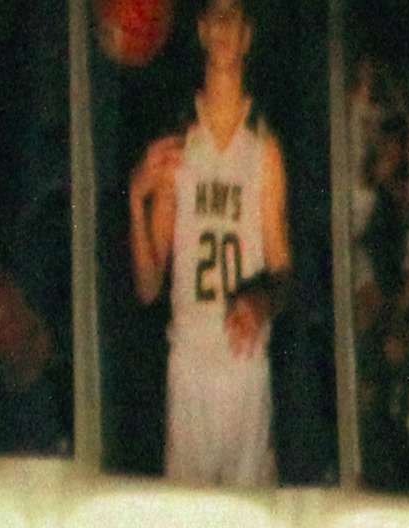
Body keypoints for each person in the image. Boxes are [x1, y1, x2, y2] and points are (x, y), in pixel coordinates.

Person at [128, 0, 284, 487]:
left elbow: (284, 274)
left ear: (246, 37)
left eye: (232, 17)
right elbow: (149, 286)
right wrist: (135, 199)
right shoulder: (177, 144)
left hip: (244, 369)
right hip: (189, 367)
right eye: (214, 17)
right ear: (200, 31)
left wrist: (260, 302)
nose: (222, 29)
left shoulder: (265, 149)